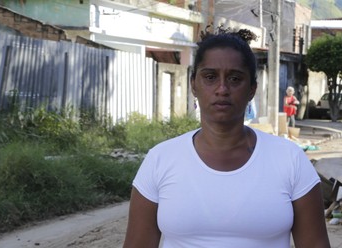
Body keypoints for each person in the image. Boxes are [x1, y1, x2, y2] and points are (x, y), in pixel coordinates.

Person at [123, 29, 330, 248]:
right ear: (194, 84)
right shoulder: (161, 159)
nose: (222, 89)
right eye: (210, 77)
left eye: (235, 78)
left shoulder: (290, 160)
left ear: (252, 89)